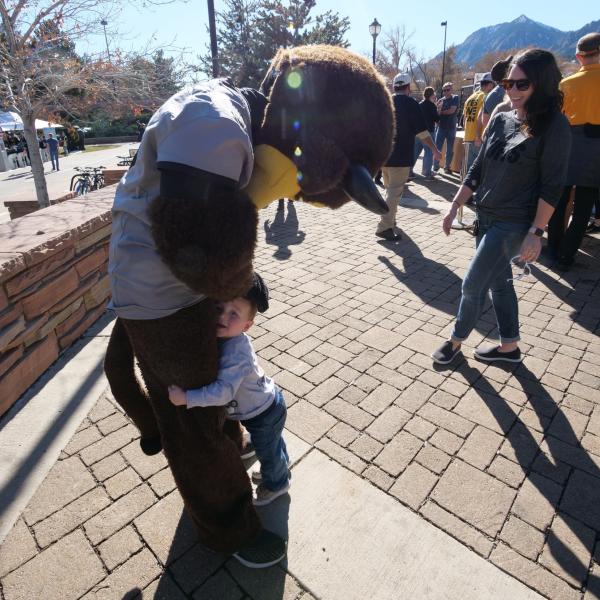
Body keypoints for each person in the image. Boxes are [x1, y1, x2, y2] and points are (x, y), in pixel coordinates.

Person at [432, 49, 571, 365]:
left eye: (522, 84)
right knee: (500, 281)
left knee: (472, 283)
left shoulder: (555, 126)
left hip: (514, 223)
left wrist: (536, 231)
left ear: (542, 83)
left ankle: (455, 342)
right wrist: (454, 206)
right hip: (486, 215)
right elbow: (478, 167)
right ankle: (510, 347)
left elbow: (553, 186)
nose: (512, 91)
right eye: (509, 83)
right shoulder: (500, 117)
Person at [168, 274, 290, 508]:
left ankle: (277, 483)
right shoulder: (232, 338)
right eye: (219, 306)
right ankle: (280, 468)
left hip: (262, 414)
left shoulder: (236, 354)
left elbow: (222, 393)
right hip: (268, 403)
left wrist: (186, 398)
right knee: (274, 444)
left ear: (247, 325)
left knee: (269, 452)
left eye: (233, 313)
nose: (222, 317)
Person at [547, 32, 600, 270]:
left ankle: (554, 249)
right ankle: (567, 255)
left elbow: (555, 120)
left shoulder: (565, 84)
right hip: (596, 149)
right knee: (584, 205)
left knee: (560, 201)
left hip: (568, 145)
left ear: (579, 56)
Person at [377, 73, 441, 241]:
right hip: (401, 156)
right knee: (394, 193)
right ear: (407, 87)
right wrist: (435, 150)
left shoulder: (384, 102)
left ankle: (390, 221)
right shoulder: (411, 104)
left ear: (394, 87)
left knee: (389, 191)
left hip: (384, 156)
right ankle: (385, 226)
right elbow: (422, 132)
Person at [461, 73, 495, 180]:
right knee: (478, 169)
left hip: (468, 135)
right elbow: (483, 118)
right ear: (490, 85)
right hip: (480, 137)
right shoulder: (488, 97)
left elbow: (464, 119)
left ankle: (464, 191)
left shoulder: (470, 97)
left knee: (467, 168)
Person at [480, 57, 513, 132]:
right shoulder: (513, 91)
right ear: (508, 73)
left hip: (495, 136)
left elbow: (484, 121)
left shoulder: (489, 95)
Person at [433, 81, 459, 174]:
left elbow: (452, 110)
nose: (445, 92)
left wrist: (441, 112)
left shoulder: (455, 98)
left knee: (450, 149)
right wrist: (439, 111)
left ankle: (447, 167)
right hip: (441, 127)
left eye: (447, 90)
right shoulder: (440, 100)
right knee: (437, 148)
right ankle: (435, 166)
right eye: (444, 90)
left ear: (451, 90)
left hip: (451, 127)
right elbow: (436, 113)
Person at [414, 87, 440, 179]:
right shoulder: (432, 106)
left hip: (417, 132)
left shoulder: (419, 104)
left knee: (415, 151)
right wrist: (438, 109)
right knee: (429, 151)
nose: (435, 95)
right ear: (431, 95)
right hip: (428, 132)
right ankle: (427, 172)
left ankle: (409, 171)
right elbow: (437, 119)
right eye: (434, 94)